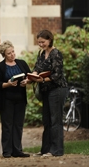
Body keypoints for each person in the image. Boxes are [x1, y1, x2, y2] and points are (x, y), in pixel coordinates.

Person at [31, 29, 68, 157]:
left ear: (50, 40)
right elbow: (37, 68)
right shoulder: (41, 54)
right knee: (46, 120)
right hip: (45, 89)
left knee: (55, 120)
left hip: (57, 89)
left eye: (43, 42)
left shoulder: (56, 53)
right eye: (39, 42)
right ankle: (45, 150)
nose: (41, 44)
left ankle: (56, 150)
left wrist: (43, 79)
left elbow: (57, 74)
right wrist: (33, 76)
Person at [0, 40, 31, 158]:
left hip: (20, 98)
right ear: (4, 54)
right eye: (9, 53)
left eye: (13, 52)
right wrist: (8, 84)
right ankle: (7, 151)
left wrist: (26, 81)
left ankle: (17, 150)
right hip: (6, 100)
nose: (12, 54)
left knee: (18, 124)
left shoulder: (21, 63)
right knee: (7, 125)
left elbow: (29, 76)